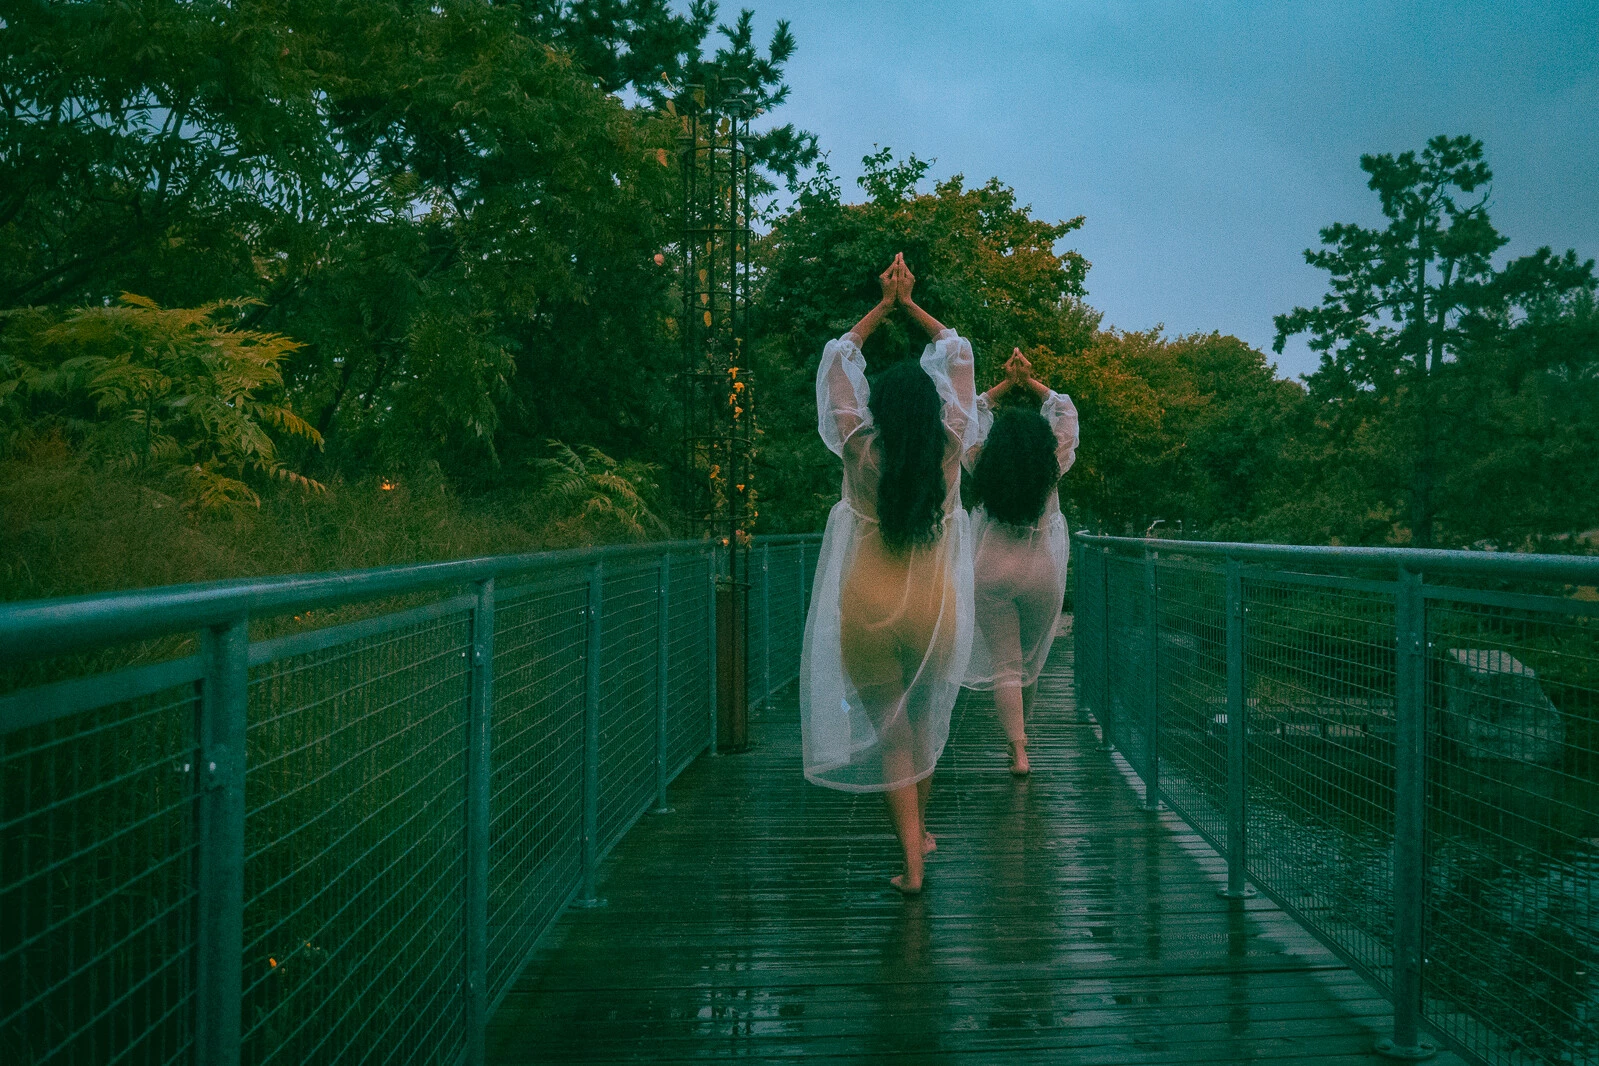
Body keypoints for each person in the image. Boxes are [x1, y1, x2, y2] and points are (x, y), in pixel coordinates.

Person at [800, 253, 978, 895]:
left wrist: (881, 307)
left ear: (882, 405)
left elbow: (837, 363)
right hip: (933, 604)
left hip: (868, 604)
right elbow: (958, 356)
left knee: (893, 735)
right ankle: (920, 836)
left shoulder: (859, 446)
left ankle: (912, 860)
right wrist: (913, 305)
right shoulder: (951, 446)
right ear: (930, 409)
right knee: (925, 725)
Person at [962, 350, 1080, 775]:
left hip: (991, 568)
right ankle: (1022, 738)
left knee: (1005, 666)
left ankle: (1018, 750)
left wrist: (1003, 387)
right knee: (1030, 662)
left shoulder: (981, 462)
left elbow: (971, 410)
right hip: (1039, 572)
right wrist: (1029, 381)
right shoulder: (1051, 465)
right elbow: (1065, 410)